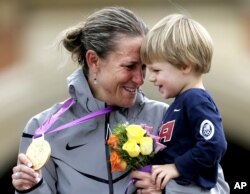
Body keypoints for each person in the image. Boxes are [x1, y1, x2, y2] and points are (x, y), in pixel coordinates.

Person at [11, 7, 168, 194]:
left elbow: (209, 185)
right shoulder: (42, 129)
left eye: (143, 67)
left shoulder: (165, 117)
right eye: (129, 66)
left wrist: (167, 190)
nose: (140, 79)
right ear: (94, 61)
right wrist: (31, 188)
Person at [140, 13, 230, 194]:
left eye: (156, 70)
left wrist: (177, 168)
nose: (151, 78)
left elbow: (214, 144)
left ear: (185, 65)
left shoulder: (195, 100)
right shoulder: (181, 102)